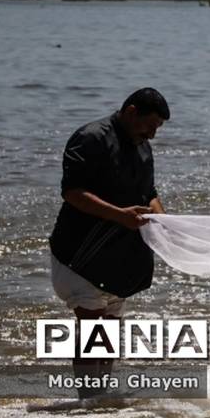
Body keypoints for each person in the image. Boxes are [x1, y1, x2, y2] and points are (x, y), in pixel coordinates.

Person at [48, 88, 169, 398]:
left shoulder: (142, 146)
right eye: (150, 125)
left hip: (121, 255)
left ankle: (99, 396)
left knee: (111, 326)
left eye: (157, 129)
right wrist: (119, 215)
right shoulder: (90, 138)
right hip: (79, 252)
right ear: (131, 112)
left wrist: (165, 222)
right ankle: (88, 398)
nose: (153, 135)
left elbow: (149, 193)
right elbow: (72, 192)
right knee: (92, 324)